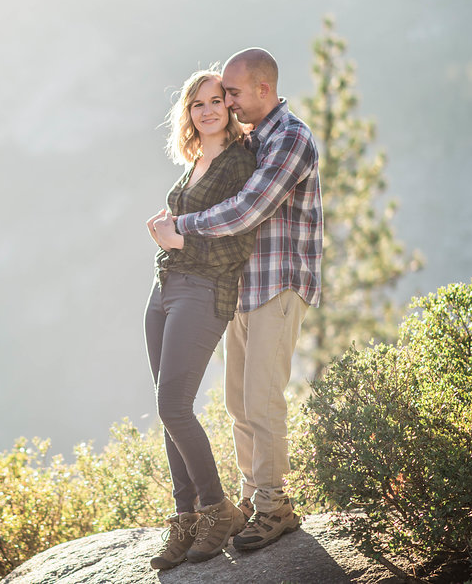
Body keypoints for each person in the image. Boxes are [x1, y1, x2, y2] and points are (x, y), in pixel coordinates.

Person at [153, 47, 323, 552]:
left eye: (232, 93)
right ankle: (252, 498)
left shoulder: (291, 139)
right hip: (243, 287)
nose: (226, 102)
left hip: (280, 282)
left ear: (262, 90)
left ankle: (274, 507)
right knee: (237, 403)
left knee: (262, 399)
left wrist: (181, 228)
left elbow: (249, 208)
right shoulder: (252, 138)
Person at [144, 67, 258, 570]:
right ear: (187, 113)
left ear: (229, 108)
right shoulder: (195, 160)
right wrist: (167, 243)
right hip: (165, 291)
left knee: (174, 406)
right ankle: (184, 517)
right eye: (197, 104)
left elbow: (239, 243)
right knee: (167, 411)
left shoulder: (239, 162)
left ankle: (218, 510)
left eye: (216, 101)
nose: (207, 110)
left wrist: (179, 239)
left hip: (205, 291)